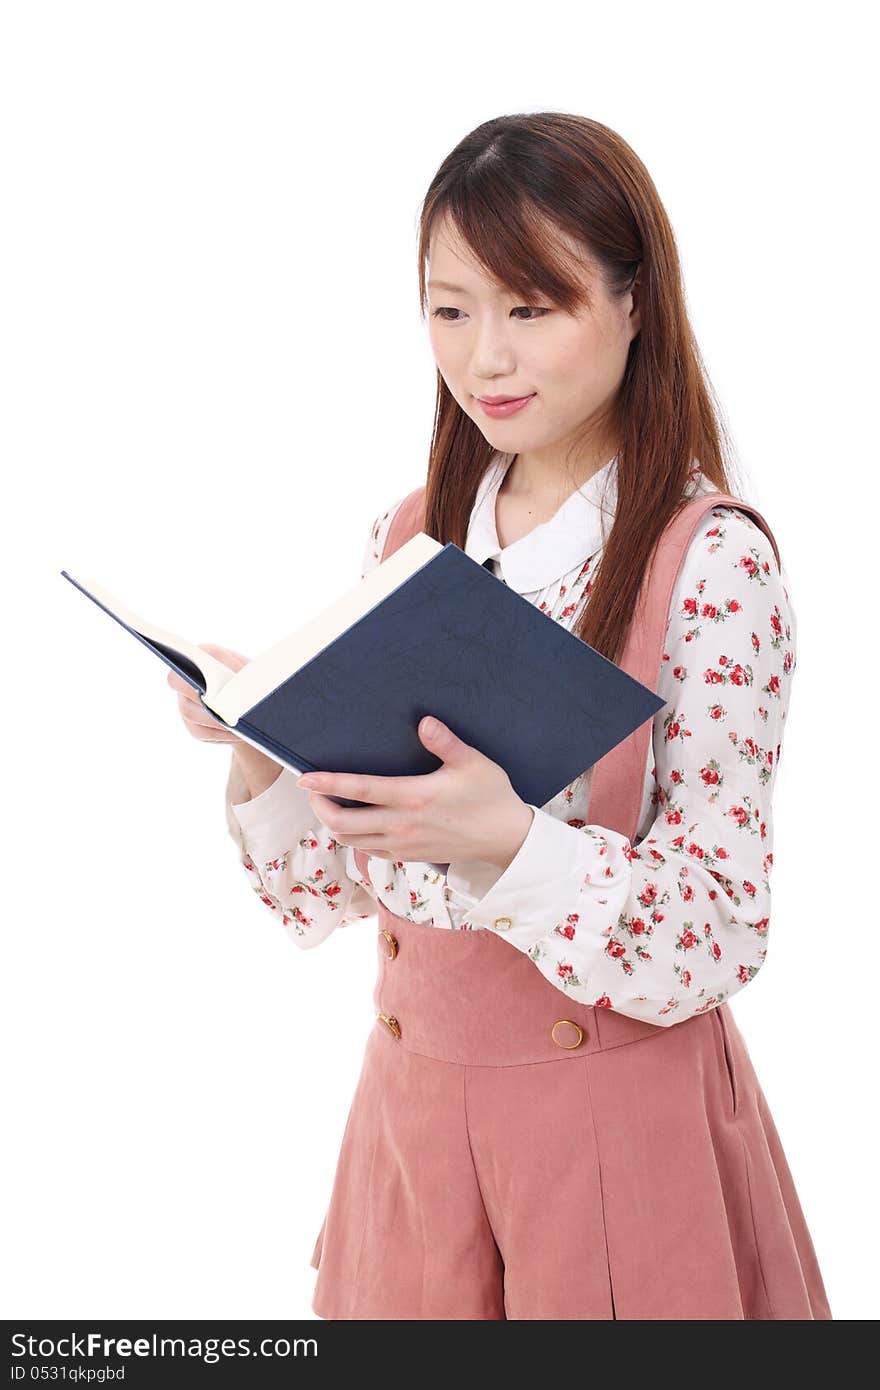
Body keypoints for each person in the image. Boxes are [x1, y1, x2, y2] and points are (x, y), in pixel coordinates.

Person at [168, 112, 832, 1319]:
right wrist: (262, 748)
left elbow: (719, 933)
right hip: (412, 1138)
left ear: (635, 302)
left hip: (617, 1146)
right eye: (449, 308)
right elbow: (329, 896)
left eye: (532, 307)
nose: (484, 358)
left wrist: (509, 845)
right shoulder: (410, 530)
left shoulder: (709, 561)